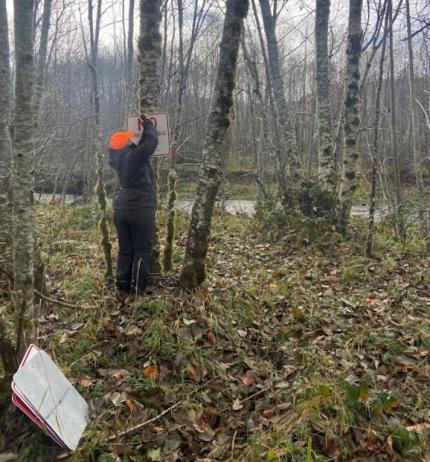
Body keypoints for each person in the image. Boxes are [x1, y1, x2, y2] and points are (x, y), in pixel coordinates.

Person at [108, 117, 158, 297]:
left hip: (121, 209)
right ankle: (139, 289)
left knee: (125, 250)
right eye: (128, 139)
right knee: (142, 249)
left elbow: (142, 148)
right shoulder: (133, 156)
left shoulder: (118, 159)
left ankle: (122, 288)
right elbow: (151, 143)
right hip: (141, 207)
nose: (131, 140)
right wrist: (149, 125)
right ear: (124, 145)